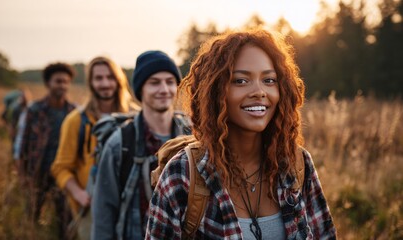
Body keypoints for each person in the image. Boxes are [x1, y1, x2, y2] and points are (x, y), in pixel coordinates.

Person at [146, 29, 337, 239]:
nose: (259, 91)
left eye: (269, 80)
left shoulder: (297, 164)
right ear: (216, 91)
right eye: (240, 81)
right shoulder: (181, 174)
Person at [92, 50, 191, 240]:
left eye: (170, 82)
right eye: (154, 83)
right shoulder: (119, 143)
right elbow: (104, 213)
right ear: (140, 90)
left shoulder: (192, 137)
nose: (164, 89)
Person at [51, 56, 138, 240]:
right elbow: (60, 167)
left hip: (132, 205)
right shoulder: (76, 121)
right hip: (92, 209)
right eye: (98, 78)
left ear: (118, 80)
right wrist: (79, 194)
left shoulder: (136, 116)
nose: (105, 83)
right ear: (90, 82)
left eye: (110, 77)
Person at [19, 62, 75, 239]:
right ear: (48, 83)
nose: (63, 86)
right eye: (58, 81)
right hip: (39, 170)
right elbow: (23, 144)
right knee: (33, 212)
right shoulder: (34, 110)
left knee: (65, 219)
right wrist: (22, 173)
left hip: (64, 174)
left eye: (66, 82)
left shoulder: (74, 112)